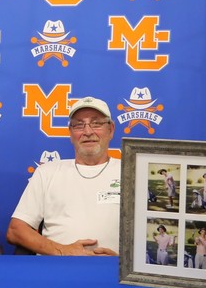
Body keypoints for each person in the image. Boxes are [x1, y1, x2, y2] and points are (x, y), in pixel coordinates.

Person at [6, 96, 120, 255]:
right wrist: (63, 251)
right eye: (79, 125)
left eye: (96, 123)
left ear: (111, 129)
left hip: (116, 273)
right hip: (56, 268)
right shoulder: (47, 172)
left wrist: (123, 262)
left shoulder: (131, 173)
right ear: (70, 133)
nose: (88, 132)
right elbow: (16, 230)